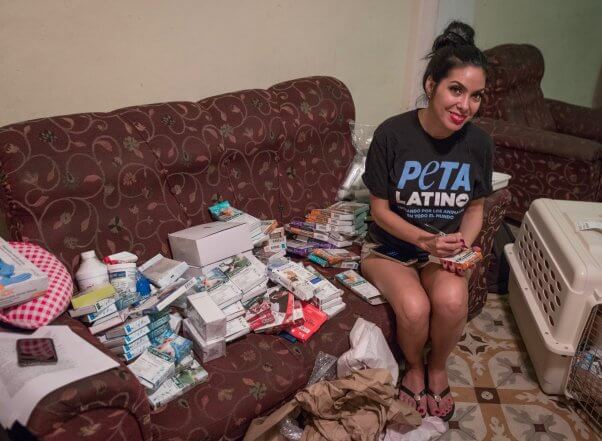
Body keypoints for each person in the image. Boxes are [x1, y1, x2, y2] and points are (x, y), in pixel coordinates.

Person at [360, 21, 492, 421]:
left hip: (443, 251)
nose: (465, 106)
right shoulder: (392, 134)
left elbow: (474, 210)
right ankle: (414, 368)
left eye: (476, 96)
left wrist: (462, 247)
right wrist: (425, 242)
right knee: (414, 308)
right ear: (432, 84)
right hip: (390, 249)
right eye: (456, 90)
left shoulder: (479, 144)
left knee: (452, 300)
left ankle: (437, 369)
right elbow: (379, 210)